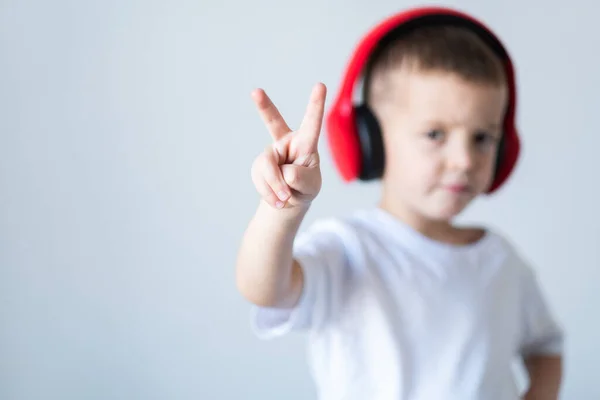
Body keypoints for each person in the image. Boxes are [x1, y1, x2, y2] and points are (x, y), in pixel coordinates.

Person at [236, 6, 564, 400]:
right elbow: (264, 289)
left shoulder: (502, 261)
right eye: (434, 134)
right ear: (368, 142)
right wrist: (283, 206)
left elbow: (545, 346)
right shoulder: (348, 249)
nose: (464, 159)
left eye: (482, 138)